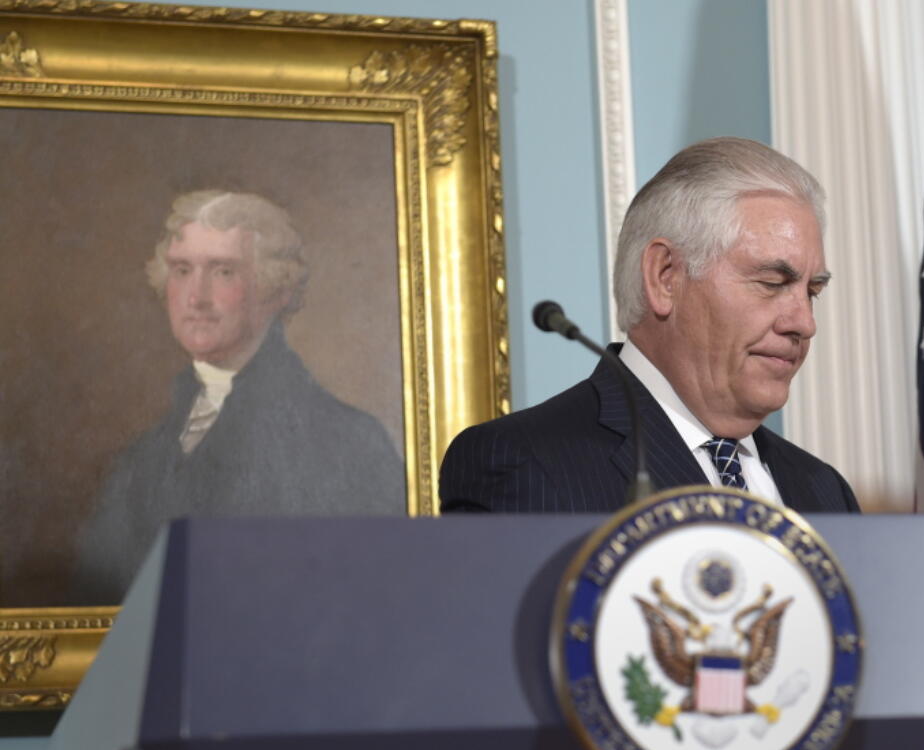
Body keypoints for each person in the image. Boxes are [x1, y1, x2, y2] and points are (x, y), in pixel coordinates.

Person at [439, 137, 858, 513]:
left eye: (813, 292)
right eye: (771, 283)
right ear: (664, 276)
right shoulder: (523, 465)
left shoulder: (824, 491)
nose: (804, 322)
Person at [74, 191, 405, 604]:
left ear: (277, 288)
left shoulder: (349, 443)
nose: (196, 297)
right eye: (181, 270)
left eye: (224, 271)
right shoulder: (139, 460)